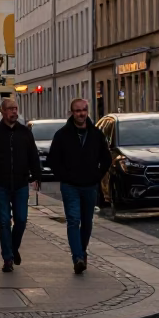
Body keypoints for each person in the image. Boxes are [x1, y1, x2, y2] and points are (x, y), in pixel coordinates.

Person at [47, 98, 111, 274]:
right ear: (71, 112)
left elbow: (106, 159)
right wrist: (64, 176)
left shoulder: (96, 134)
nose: (81, 114)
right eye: (77, 111)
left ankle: (81, 252)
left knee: (87, 222)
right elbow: (53, 160)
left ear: (87, 111)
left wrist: (97, 175)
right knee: (73, 220)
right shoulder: (62, 135)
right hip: (70, 186)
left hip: (90, 185)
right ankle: (77, 258)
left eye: (83, 110)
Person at [0, 98, 41, 273]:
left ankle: (13, 248)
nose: (14, 112)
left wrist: (36, 176)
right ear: (3, 112)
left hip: (21, 183)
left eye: (16, 109)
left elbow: (33, 155)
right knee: (4, 221)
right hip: (1, 184)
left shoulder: (24, 132)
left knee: (21, 220)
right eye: (10, 109)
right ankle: (8, 258)